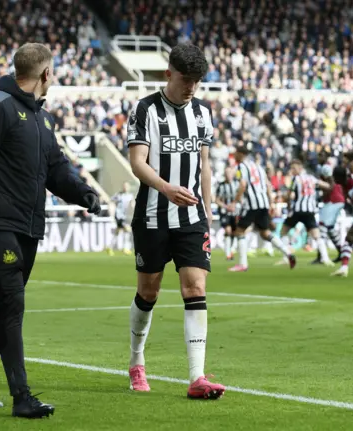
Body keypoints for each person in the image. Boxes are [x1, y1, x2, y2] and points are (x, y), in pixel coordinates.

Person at [0, 43, 101, 419]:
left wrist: (84, 193)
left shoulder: (42, 119)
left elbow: (56, 170)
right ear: (46, 73)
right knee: (13, 302)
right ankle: (22, 396)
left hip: (29, 226)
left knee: (4, 304)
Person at [125, 42, 225, 399]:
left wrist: (208, 212)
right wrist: (166, 188)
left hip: (192, 217)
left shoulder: (202, 113)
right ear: (169, 74)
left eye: (198, 81)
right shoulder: (145, 109)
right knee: (148, 291)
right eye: (187, 80)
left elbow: (205, 166)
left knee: (195, 287)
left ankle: (197, 377)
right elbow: (138, 162)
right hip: (153, 214)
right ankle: (137, 362)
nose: (192, 87)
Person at [227, 145, 294, 272]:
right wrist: (271, 203)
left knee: (239, 231)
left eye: (235, 153)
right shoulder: (258, 167)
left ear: (241, 154)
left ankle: (242, 264)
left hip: (252, 205)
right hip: (263, 203)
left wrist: (234, 202)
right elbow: (268, 185)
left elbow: (242, 184)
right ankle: (288, 253)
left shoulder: (241, 166)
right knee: (265, 232)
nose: (234, 156)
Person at [278, 159, 331, 268]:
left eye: (294, 168)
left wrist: (287, 202)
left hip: (297, 210)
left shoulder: (295, 179)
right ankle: (325, 258)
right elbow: (326, 185)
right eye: (291, 168)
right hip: (310, 210)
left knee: (283, 231)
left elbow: (289, 194)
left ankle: (285, 257)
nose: (292, 171)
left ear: (300, 167)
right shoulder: (311, 178)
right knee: (316, 235)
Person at [312, 164, 345, 265]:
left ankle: (321, 256)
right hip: (338, 201)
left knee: (322, 227)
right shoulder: (334, 178)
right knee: (330, 229)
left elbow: (330, 189)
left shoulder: (329, 180)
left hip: (332, 202)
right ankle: (342, 253)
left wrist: (320, 195)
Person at [214, 166, 238, 260]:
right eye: (227, 173)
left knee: (235, 232)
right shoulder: (221, 185)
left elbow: (241, 197)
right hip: (225, 212)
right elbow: (217, 200)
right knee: (228, 230)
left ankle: (231, 250)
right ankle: (228, 254)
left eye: (230, 173)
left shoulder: (237, 184)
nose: (228, 175)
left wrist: (235, 205)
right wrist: (226, 206)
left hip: (236, 211)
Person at [107, 181, 134, 256]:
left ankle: (109, 247)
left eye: (127, 186)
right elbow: (111, 201)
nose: (125, 187)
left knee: (117, 232)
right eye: (124, 186)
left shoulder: (130, 196)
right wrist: (111, 212)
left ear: (129, 187)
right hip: (118, 215)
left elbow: (132, 204)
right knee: (127, 229)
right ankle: (125, 248)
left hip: (124, 216)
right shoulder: (118, 195)